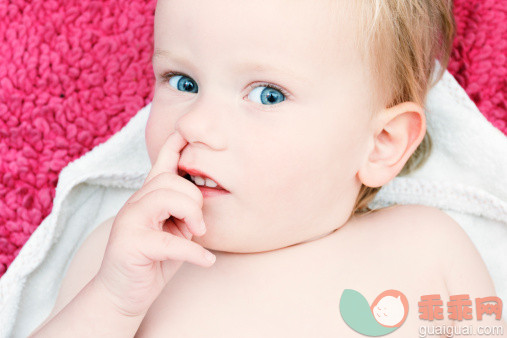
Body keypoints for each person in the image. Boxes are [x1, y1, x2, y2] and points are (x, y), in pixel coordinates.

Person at [30, 0, 506, 336]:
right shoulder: (125, 258)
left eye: (268, 95)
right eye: (183, 81)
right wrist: (113, 300)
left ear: (382, 144)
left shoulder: (426, 247)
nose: (196, 123)